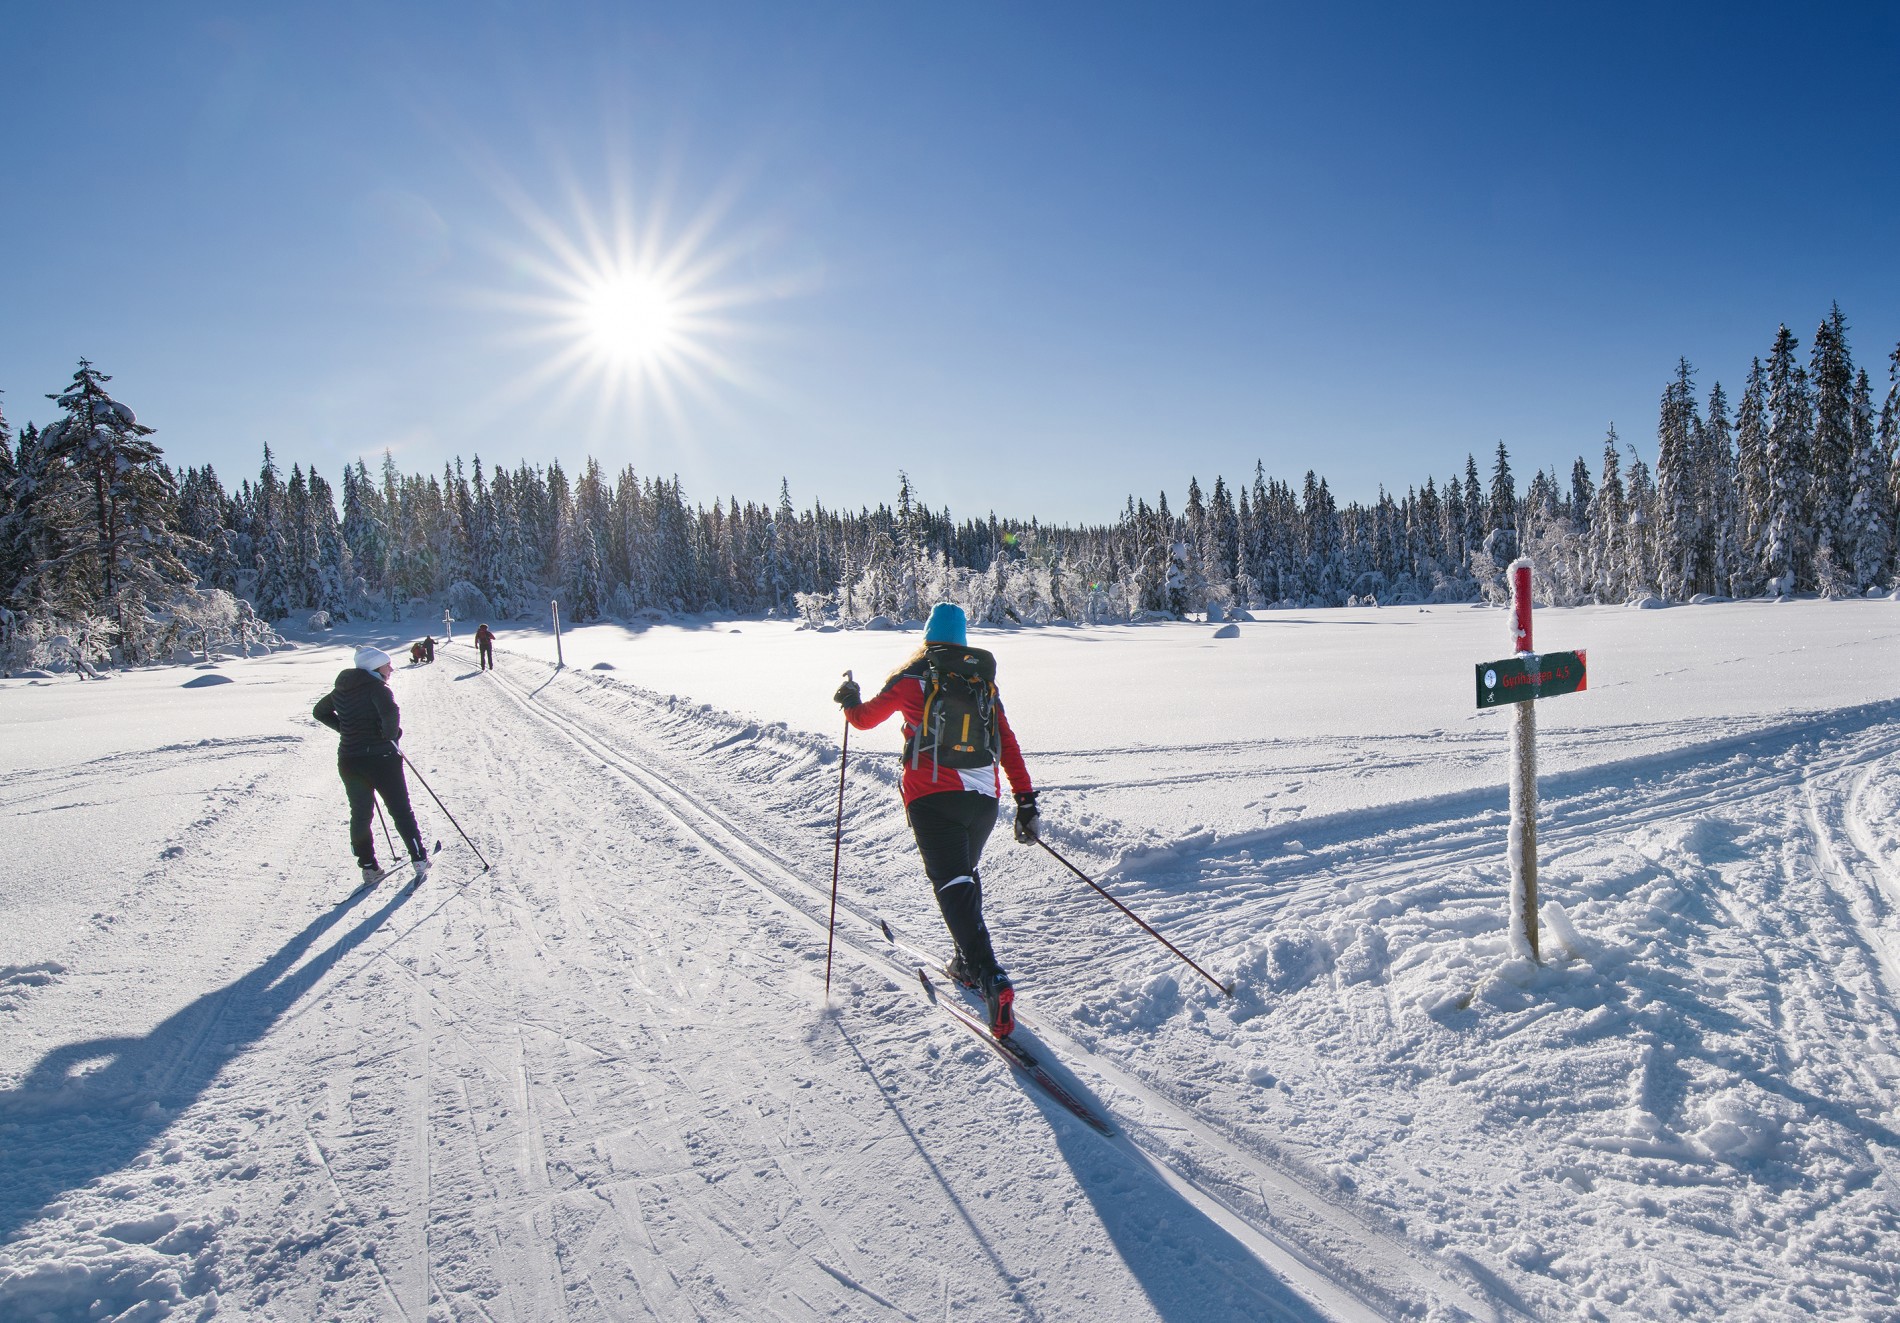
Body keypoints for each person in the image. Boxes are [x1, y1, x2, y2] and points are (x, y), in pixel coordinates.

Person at [834, 603, 1039, 1038]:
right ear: (963, 641)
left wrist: (849, 699)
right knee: (963, 876)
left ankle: (989, 975)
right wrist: (1025, 802)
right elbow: (1008, 743)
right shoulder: (983, 684)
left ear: (928, 637)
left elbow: (864, 720)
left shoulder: (912, 677)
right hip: (983, 802)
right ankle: (965, 961)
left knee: (952, 883)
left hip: (932, 798)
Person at [313, 645, 431, 887]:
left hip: (350, 760)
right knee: (400, 810)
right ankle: (419, 859)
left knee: (360, 813)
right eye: (387, 665)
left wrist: (346, 730)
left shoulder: (342, 689)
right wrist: (390, 736)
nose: (391, 669)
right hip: (382, 760)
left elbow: (319, 712)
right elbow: (391, 712)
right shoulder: (377, 688)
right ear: (375, 667)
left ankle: (368, 867)